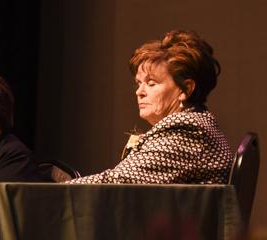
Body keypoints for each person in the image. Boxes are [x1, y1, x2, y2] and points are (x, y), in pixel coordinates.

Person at [71, 30, 232, 184]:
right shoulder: (197, 125)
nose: (139, 92)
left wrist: (55, 191)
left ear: (186, 89)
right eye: (139, 83)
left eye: (151, 83)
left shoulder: (187, 131)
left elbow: (118, 183)